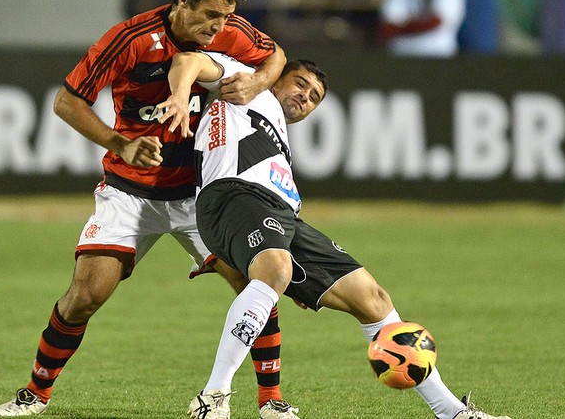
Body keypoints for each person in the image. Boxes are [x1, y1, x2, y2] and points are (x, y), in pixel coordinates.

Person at [0, 0, 296, 417]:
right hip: (131, 190)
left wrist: (257, 83)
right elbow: (66, 101)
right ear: (182, 0)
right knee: (86, 294)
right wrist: (121, 143)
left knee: (253, 283)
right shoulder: (130, 38)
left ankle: (271, 401)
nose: (219, 29)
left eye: (227, 18)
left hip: (199, 195)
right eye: (211, 16)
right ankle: (35, 393)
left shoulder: (230, 31)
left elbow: (275, 55)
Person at [162, 50, 512, 419]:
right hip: (232, 197)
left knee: (374, 299)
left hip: (280, 216)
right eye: (300, 84)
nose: (305, 97)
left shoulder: (279, 136)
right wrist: (181, 95)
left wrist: (291, 266)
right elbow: (189, 61)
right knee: (276, 271)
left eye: (314, 97)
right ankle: (213, 397)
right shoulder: (246, 84)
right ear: (276, 76)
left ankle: (451, 412)